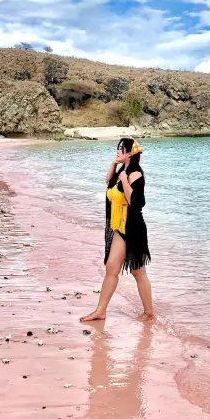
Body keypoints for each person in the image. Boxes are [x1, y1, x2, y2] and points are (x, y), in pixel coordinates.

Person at [80, 138, 153, 322]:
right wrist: (114, 165)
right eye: (117, 148)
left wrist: (125, 181)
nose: (118, 151)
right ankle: (100, 311)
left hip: (133, 229)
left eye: (121, 149)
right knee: (111, 268)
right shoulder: (122, 170)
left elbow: (136, 202)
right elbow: (108, 182)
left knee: (138, 272)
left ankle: (149, 313)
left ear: (130, 153)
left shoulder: (135, 174)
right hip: (119, 228)